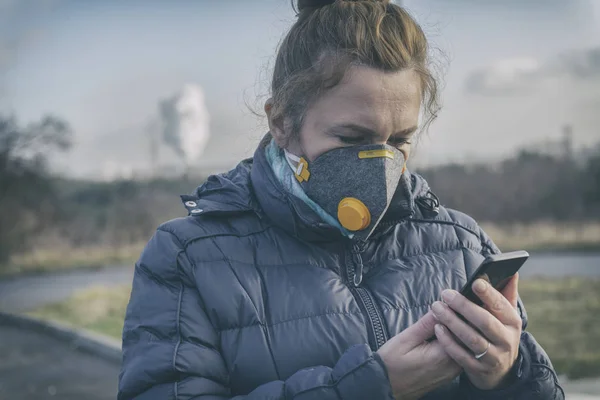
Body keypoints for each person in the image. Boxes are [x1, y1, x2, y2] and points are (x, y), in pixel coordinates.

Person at [118, 1, 565, 399]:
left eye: (401, 140)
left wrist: (509, 377)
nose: (382, 164)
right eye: (354, 137)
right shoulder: (189, 256)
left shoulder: (462, 244)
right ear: (282, 122)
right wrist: (372, 387)